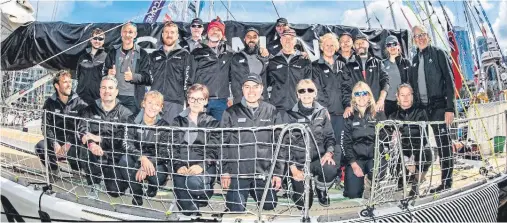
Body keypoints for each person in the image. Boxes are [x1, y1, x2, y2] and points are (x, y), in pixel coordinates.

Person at [220, 73, 285, 212]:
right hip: (239, 172)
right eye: (247, 87)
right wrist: (224, 171)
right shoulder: (230, 112)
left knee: (270, 204)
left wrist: (277, 173)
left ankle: (252, 191)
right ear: (242, 89)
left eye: (255, 87)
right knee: (235, 208)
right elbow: (222, 144)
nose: (251, 91)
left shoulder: (271, 111)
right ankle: (242, 190)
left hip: (263, 172)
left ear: (262, 89)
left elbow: (280, 145)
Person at [408, 25, 455, 193]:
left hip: (439, 107)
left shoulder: (438, 53)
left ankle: (446, 182)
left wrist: (450, 108)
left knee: (444, 145)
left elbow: (449, 82)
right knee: (421, 146)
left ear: (428, 36)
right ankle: (419, 180)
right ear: (413, 40)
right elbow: (412, 86)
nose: (420, 38)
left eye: (423, 35)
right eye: (416, 36)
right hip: (422, 109)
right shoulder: (414, 59)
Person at [283, 79, 341, 209]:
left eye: (310, 90)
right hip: (299, 164)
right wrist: (293, 169)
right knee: (303, 205)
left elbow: (330, 137)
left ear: (315, 93)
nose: (306, 93)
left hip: (318, 159)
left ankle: (321, 188)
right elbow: (285, 145)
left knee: (331, 166)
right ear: (297, 94)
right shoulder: (289, 115)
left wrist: (328, 153)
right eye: (302, 90)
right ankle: (291, 183)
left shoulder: (322, 112)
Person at [77, 76, 134, 198]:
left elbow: (123, 139)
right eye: (103, 87)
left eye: (110, 88)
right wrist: (92, 144)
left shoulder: (125, 114)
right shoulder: (89, 109)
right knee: (84, 149)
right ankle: (94, 182)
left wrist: (101, 139)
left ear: (116, 91)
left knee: (115, 191)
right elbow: (82, 130)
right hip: (94, 153)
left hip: (113, 157)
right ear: (99, 90)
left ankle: (118, 179)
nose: (107, 91)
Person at [171, 84, 220, 216]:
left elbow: (214, 150)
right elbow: (173, 146)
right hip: (182, 165)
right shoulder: (177, 121)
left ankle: (205, 193)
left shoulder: (213, 123)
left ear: (206, 101)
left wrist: (201, 166)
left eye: (200, 99)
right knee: (188, 211)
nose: (196, 102)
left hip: (203, 166)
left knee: (194, 182)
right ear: (188, 100)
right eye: (192, 98)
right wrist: (178, 165)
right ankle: (192, 200)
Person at [39, 70, 88, 180]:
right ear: (57, 85)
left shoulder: (80, 103)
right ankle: (54, 170)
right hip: (56, 140)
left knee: (76, 149)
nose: (69, 84)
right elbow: (45, 126)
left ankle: (77, 171)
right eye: (65, 82)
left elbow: (83, 127)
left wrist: (69, 143)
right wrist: (54, 143)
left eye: (70, 81)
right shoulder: (49, 103)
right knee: (40, 147)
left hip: (73, 142)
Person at [124, 91, 171, 206]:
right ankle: (137, 192)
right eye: (149, 102)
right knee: (124, 161)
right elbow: (126, 144)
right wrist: (142, 158)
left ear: (161, 108)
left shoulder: (164, 125)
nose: (152, 107)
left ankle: (152, 186)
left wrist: (147, 164)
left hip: (154, 162)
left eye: (156, 104)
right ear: (143, 103)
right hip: (137, 158)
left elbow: (164, 152)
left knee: (159, 176)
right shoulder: (131, 120)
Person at [342, 81, 386, 199]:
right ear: (354, 98)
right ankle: (361, 182)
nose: (361, 97)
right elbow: (345, 143)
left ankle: (372, 181)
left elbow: (385, 137)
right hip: (357, 160)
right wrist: (353, 164)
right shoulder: (349, 117)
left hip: (374, 157)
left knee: (377, 172)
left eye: (364, 93)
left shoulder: (378, 114)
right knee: (353, 194)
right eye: (357, 94)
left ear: (369, 96)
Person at [388, 83, 432, 196]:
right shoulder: (392, 116)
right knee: (393, 155)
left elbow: (425, 137)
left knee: (427, 154)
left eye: (408, 94)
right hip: (401, 152)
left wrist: (413, 157)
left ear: (412, 96)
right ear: (397, 97)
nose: (406, 98)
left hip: (417, 147)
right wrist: (407, 160)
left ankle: (415, 185)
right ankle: (399, 182)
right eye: (402, 95)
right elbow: (391, 143)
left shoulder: (421, 113)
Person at [189, 17, 234, 121]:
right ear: (207, 32)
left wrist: (231, 97)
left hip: (221, 102)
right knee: (199, 134)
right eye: (212, 29)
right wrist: (189, 99)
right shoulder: (196, 52)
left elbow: (234, 76)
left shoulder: (229, 53)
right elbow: (189, 78)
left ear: (222, 34)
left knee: (220, 134)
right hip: (200, 101)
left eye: (218, 30)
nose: (215, 32)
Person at [103, 22, 151, 114]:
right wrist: (108, 74)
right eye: (125, 32)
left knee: (129, 127)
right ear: (121, 33)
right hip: (114, 97)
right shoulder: (113, 51)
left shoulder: (142, 53)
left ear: (135, 34)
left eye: (130, 32)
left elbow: (148, 78)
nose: (127, 35)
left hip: (133, 100)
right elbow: (103, 72)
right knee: (114, 127)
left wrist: (133, 77)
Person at [313, 33, 351, 145]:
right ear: (321, 47)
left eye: (332, 45)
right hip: (325, 113)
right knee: (327, 144)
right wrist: (323, 109)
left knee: (340, 145)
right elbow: (317, 90)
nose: (329, 48)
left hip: (342, 113)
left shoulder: (342, 64)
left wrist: (348, 105)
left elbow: (347, 87)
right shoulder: (315, 66)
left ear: (336, 47)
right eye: (326, 45)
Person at [149, 21, 192, 122]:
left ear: (177, 36)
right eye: (167, 32)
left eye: (172, 32)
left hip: (175, 102)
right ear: (162, 35)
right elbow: (149, 77)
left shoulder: (184, 54)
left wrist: (187, 101)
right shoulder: (154, 55)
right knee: (155, 133)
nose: (169, 35)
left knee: (173, 134)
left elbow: (188, 79)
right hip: (155, 102)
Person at [343, 33, 389, 119]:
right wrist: (348, 106)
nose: (360, 45)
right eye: (357, 43)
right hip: (358, 111)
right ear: (353, 46)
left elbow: (385, 82)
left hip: (376, 109)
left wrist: (381, 100)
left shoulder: (378, 63)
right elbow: (346, 88)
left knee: (382, 131)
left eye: (363, 42)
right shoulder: (348, 66)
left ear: (368, 44)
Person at [267, 28, 313, 113]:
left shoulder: (304, 60)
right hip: (277, 109)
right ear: (281, 40)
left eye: (291, 38)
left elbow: (310, 86)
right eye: (285, 38)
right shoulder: (272, 61)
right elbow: (265, 84)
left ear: (295, 41)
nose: (288, 41)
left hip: (299, 108)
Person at [230, 27, 270, 104]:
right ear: (244, 39)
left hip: (260, 100)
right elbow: (229, 78)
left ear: (258, 40)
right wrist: (231, 97)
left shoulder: (265, 56)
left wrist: (267, 58)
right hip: (240, 100)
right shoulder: (236, 57)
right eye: (248, 36)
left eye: (255, 37)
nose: (251, 39)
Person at [74, 28, 108, 105]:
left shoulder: (107, 58)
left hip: (98, 100)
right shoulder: (82, 57)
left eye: (100, 39)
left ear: (103, 41)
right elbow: (78, 76)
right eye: (95, 38)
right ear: (91, 39)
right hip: (81, 99)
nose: (97, 41)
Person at [382, 35, 411, 117]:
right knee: (389, 128)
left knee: (403, 127)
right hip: (388, 102)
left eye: (394, 44)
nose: (392, 47)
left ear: (398, 45)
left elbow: (411, 82)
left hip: (403, 101)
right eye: (389, 45)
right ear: (386, 48)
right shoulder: (382, 64)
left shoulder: (406, 63)